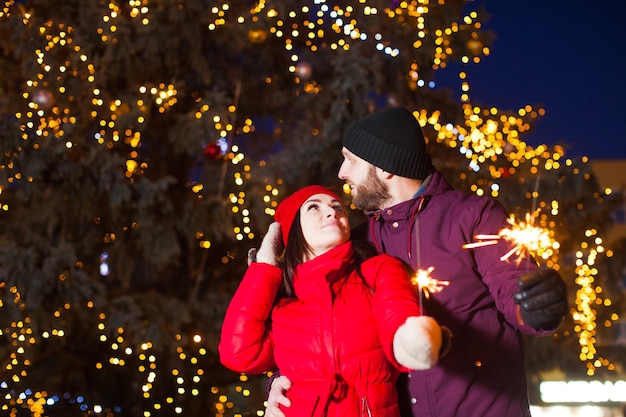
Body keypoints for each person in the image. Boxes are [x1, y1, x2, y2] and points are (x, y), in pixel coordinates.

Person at [265, 107, 568, 417]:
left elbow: (513, 285)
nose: (342, 172)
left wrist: (537, 305)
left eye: (351, 160)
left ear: (384, 167)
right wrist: (281, 381)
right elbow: (318, 328)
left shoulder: (473, 216)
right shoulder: (356, 244)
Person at [219, 185, 446, 417]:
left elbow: (399, 320)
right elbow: (238, 355)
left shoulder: (377, 271)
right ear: (293, 229)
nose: (332, 212)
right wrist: (265, 267)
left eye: (337, 207)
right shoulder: (284, 307)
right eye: (314, 207)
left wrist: (414, 338)